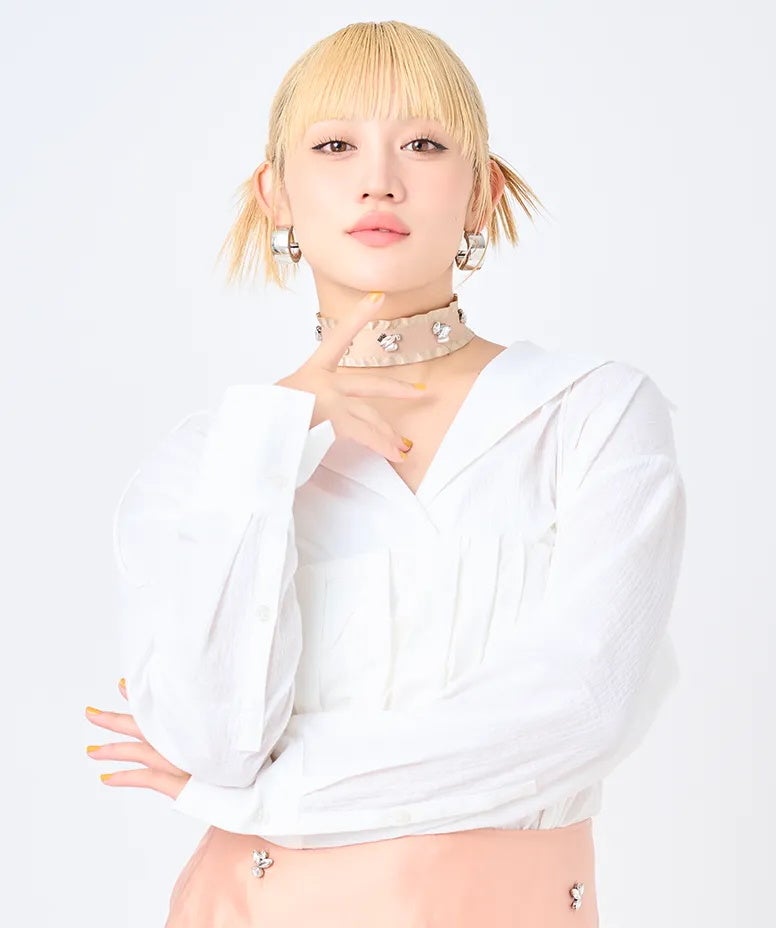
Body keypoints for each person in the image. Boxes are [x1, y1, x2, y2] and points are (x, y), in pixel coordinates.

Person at [85, 19, 687, 928]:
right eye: (335, 146)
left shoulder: (587, 414)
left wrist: (265, 797)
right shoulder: (213, 460)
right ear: (275, 192)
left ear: (481, 191)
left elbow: (583, 711)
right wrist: (271, 440)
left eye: (424, 145)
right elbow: (215, 741)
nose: (380, 180)